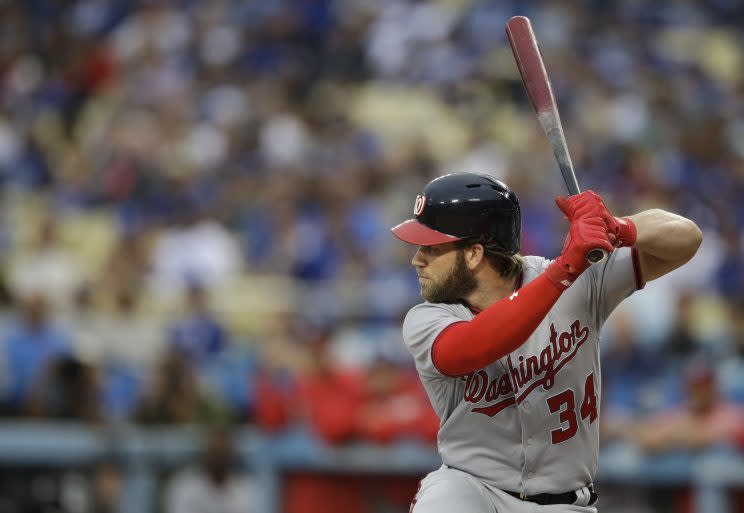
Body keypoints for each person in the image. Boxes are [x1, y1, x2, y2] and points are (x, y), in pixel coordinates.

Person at [391, 172, 702, 512]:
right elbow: (471, 347)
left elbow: (687, 237)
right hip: (472, 490)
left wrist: (616, 227)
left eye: (432, 248)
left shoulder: (579, 279)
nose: (417, 259)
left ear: (474, 254)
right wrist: (567, 268)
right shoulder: (428, 318)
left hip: (566, 502)